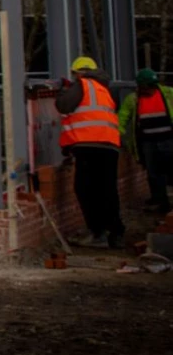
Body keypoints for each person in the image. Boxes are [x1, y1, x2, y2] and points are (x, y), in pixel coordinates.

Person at [55, 55, 126, 249]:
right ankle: (116, 232)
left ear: (78, 73)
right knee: (107, 189)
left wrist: (62, 90)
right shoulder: (105, 88)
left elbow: (64, 105)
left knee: (85, 188)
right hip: (109, 144)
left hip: (89, 143)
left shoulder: (83, 84)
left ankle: (97, 233)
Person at [119, 67, 173, 215]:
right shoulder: (133, 99)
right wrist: (117, 134)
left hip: (168, 140)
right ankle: (161, 202)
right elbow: (122, 118)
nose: (149, 90)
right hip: (148, 143)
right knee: (154, 173)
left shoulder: (168, 94)